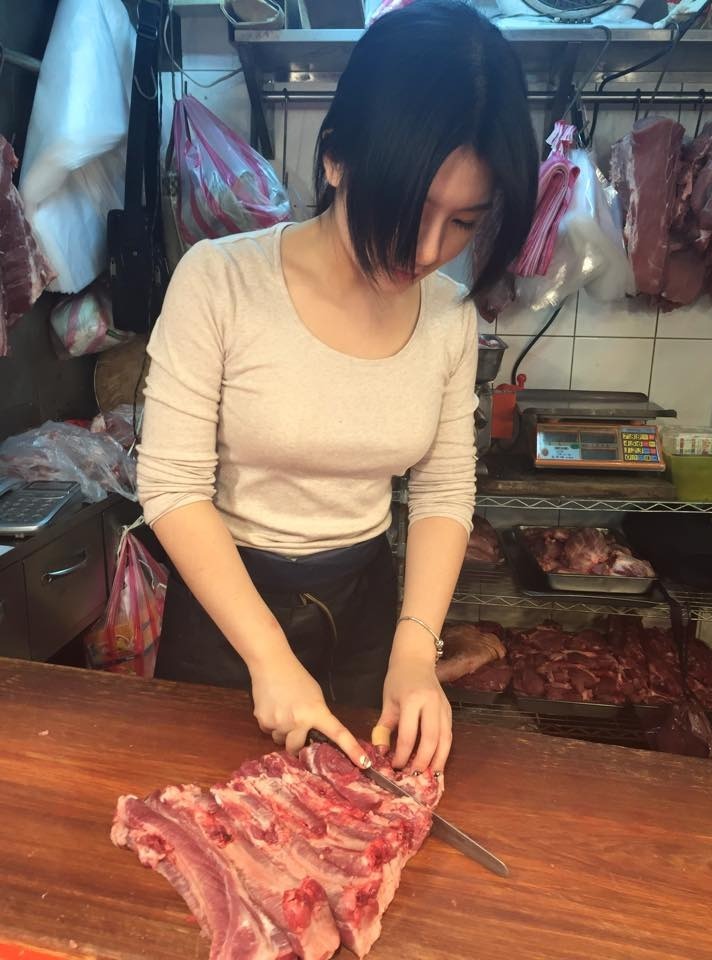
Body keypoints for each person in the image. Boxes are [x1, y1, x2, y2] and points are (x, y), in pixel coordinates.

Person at [136, 0, 537, 777]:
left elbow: (444, 487)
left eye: (463, 222)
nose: (427, 250)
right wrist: (268, 656)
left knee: (360, 821)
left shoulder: (450, 316)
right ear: (336, 159)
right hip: (227, 611)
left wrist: (415, 651)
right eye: (409, 206)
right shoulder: (219, 281)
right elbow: (172, 484)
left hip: (366, 611)